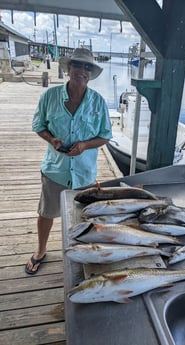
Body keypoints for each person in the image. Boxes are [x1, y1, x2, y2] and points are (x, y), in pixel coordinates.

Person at [25, 48, 112, 274]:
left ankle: (79, 254)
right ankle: (40, 250)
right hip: (55, 170)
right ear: (68, 68)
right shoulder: (49, 96)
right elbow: (38, 126)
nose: (82, 71)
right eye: (78, 65)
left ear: (91, 73)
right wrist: (51, 139)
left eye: (87, 67)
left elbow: (105, 135)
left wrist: (84, 145)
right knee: (46, 212)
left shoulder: (99, 102)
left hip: (84, 173)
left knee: (82, 217)